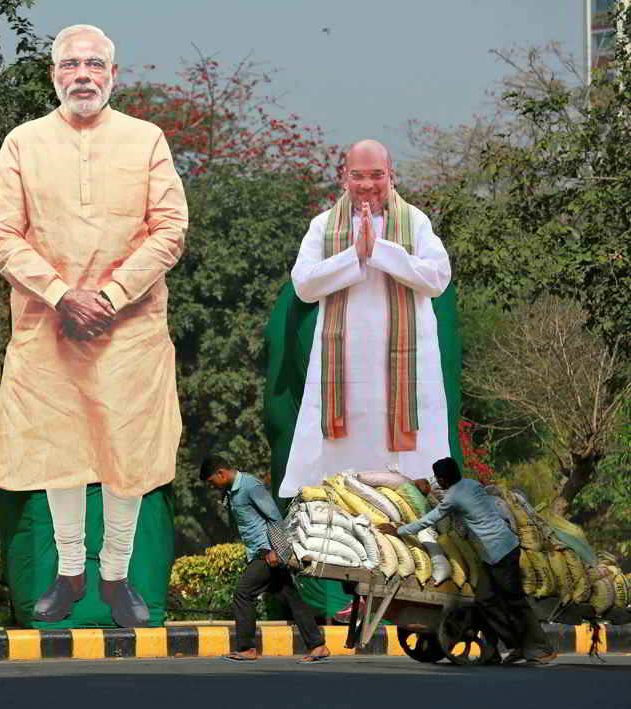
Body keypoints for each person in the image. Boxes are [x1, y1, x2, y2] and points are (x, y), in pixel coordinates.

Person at [0, 24, 188, 628]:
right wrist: (62, 294)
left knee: (126, 454)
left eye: (94, 64)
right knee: (59, 451)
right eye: (70, 64)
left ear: (113, 75)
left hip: (132, 330)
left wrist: (114, 295)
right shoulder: (22, 142)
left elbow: (169, 229)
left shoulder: (146, 139)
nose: (83, 75)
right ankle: (71, 574)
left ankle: (116, 576)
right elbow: (2, 233)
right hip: (49, 325)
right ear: (54, 75)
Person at [280, 140, 453, 498]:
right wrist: (353, 256)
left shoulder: (415, 222)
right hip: (345, 371)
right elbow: (304, 285)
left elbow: (437, 279)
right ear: (344, 177)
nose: (367, 184)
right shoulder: (323, 225)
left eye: (377, 175)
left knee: (414, 468)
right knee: (339, 471)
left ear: (391, 176)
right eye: (358, 175)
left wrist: (380, 251)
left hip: (407, 367)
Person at [378, 457, 558, 666]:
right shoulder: (471, 485)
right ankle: (517, 643)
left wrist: (399, 530)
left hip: (501, 551)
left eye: (438, 478)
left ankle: (542, 649)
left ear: (443, 479)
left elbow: (429, 519)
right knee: (484, 600)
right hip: (495, 553)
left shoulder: (453, 497)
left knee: (515, 602)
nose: (438, 482)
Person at [200, 455, 331, 663]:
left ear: (221, 474)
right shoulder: (231, 491)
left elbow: (274, 516)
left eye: (211, 481)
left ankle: (246, 648)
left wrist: (275, 550)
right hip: (260, 552)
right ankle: (317, 645)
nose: (211, 486)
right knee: (289, 595)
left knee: (243, 593)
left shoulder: (251, 486)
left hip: (267, 553)